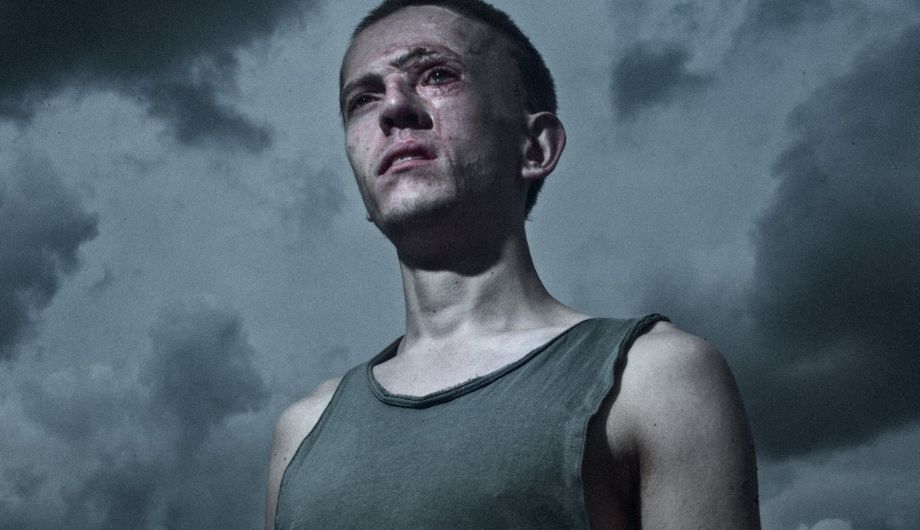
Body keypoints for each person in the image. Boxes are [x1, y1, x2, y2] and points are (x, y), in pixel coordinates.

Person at [266, 0, 760, 527]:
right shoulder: (302, 431)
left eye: (436, 74)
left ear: (535, 146)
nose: (393, 107)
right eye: (362, 99)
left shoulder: (654, 378)